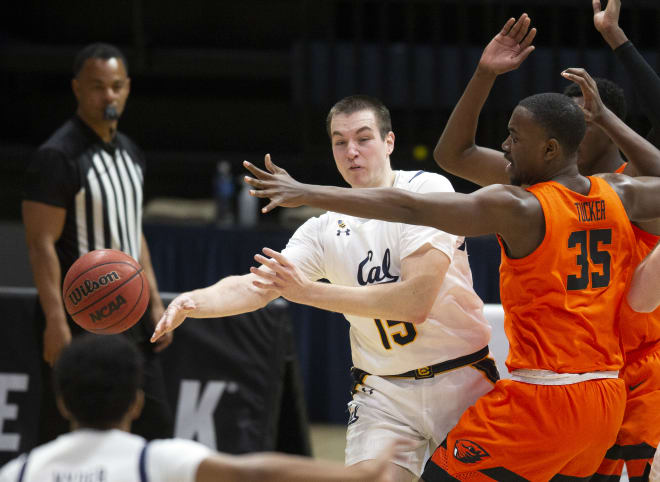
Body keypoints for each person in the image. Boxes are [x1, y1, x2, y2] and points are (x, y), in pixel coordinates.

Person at [242, 14, 660, 480]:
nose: (503, 146)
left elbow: (409, 207)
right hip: (605, 397)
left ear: (549, 150)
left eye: (514, 138)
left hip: (545, 397)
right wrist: (606, 118)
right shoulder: (620, 194)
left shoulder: (518, 205)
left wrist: (309, 192)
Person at [151, 94, 499, 481]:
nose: (351, 151)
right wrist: (192, 301)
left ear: (389, 142)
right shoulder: (322, 228)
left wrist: (308, 292)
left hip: (461, 383)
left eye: (363, 138)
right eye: (339, 141)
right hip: (384, 397)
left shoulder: (426, 190)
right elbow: (258, 286)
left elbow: (414, 302)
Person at [435, 0, 660, 478]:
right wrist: (483, 74)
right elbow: (452, 155)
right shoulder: (535, 185)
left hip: (635, 372)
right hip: (571, 382)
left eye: (584, 117)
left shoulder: (632, 189)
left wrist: (616, 46)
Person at [22, 43, 173, 445]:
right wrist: (55, 321)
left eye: (116, 86)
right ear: (76, 89)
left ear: (127, 89)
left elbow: (132, 229)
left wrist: (155, 301)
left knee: (155, 423)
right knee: (69, 432)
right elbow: (40, 244)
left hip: (134, 311)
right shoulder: (57, 157)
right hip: (81, 316)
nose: (108, 95)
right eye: (97, 87)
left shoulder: (131, 152)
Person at [0, 334, 397, 482]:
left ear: (61, 402)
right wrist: (354, 478)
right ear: (137, 403)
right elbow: (257, 472)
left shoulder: (18, 472)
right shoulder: (154, 461)